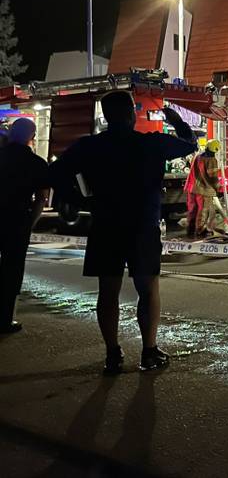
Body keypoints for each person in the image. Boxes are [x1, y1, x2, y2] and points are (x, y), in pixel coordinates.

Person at [49, 91, 196, 373]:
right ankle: (149, 352)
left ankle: (113, 355)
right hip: (142, 227)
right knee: (148, 289)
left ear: (106, 116)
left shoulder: (89, 146)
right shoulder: (151, 143)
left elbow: (55, 174)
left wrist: (82, 200)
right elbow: (189, 144)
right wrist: (176, 119)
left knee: (108, 292)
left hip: (106, 226)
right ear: (131, 114)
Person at [0, 119, 49, 334]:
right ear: (32, 136)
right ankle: (4, 319)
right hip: (17, 220)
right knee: (12, 270)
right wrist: (31, 223)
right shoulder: (37, 163)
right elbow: (41, 198)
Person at [192, 139, 220, 236]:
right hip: (207, 190)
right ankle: (200, 229)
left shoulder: (198, 157)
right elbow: (213, 176)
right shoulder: (212, 160)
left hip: (198, 187)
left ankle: (208, 228)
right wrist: (217, 188)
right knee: (205, 211)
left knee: (211, 211)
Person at [184, 137, 207, 238]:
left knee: (192, 208)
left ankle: (190, 229)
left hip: (191, 186)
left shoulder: (196, 155)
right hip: (199, 187)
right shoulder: (204, 157)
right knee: (201, 208)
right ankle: (200, 230)